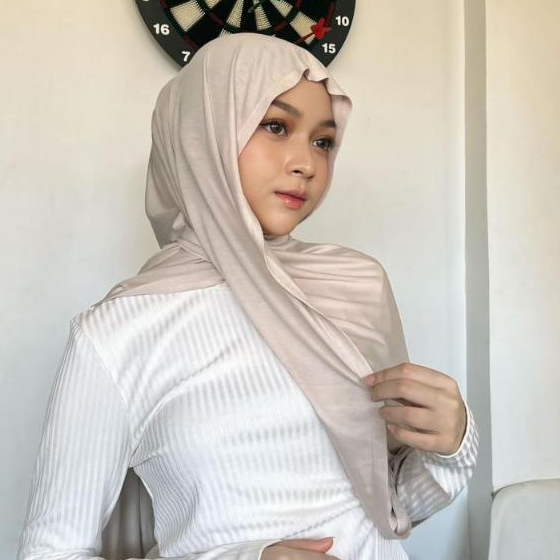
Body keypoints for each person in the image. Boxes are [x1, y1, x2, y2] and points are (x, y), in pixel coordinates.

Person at [16, 32, 478, 560]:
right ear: (201, 133)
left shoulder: (356, 287)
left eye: (323, 141)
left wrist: (451, 447)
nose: (306, 163)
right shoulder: (117, 332)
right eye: (276, 126)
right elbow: (50, 552)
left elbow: (389, 506)